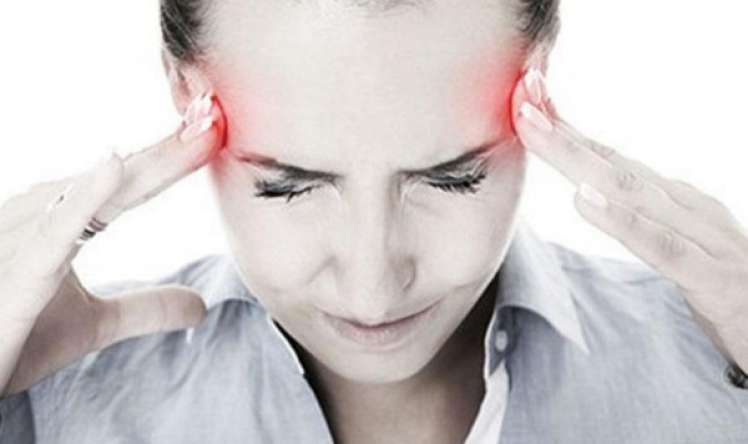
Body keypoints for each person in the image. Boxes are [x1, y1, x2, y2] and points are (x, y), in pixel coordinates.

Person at [1, 0, 747, 442]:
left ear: (540, 80)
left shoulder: (720, 374)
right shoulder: (50, 404)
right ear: (181, 91)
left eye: (452, 177)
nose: (372, 288)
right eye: (289, 186)